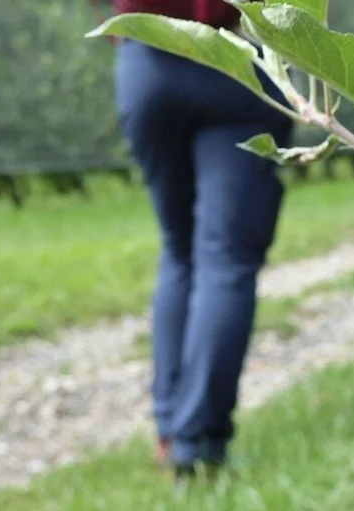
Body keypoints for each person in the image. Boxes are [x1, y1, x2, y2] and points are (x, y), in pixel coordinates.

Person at [99, 0, 295, 481]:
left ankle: (171, 431)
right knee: (225, 259)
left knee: (180, 249)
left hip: (146, 62)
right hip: (226, 65)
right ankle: (198, 442)